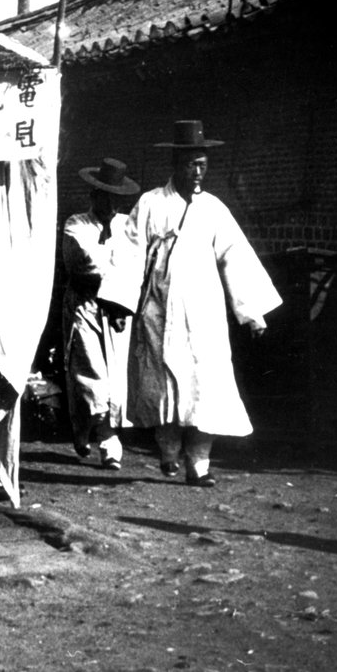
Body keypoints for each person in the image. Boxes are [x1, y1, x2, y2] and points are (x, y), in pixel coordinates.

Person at [119, 121, 281, 488]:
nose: (197, 172)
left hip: (204, 313)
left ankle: (200, 465)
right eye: (191, 164)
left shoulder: (214, 209)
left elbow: (234, 256)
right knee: (165, 388)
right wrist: (120, 303)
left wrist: (251, 312)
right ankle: (168, 450)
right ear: (176, 164)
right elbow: (130, 254)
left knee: (205, 388)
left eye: (203, 165)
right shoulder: (150, 203)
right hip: (159, 310)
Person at [60, 157, 140, 470]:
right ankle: (95, 434)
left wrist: (121, 296)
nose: (111, 204)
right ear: (94, 195)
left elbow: (134, 265)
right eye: (104, 197)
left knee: (115, 378)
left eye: (116, 198)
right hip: (85, 304)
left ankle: (101, 436)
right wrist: (116, 276)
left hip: (119, 308)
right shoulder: (76, 224)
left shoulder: (127, 226)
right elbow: (86, 265)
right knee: (90, 374)